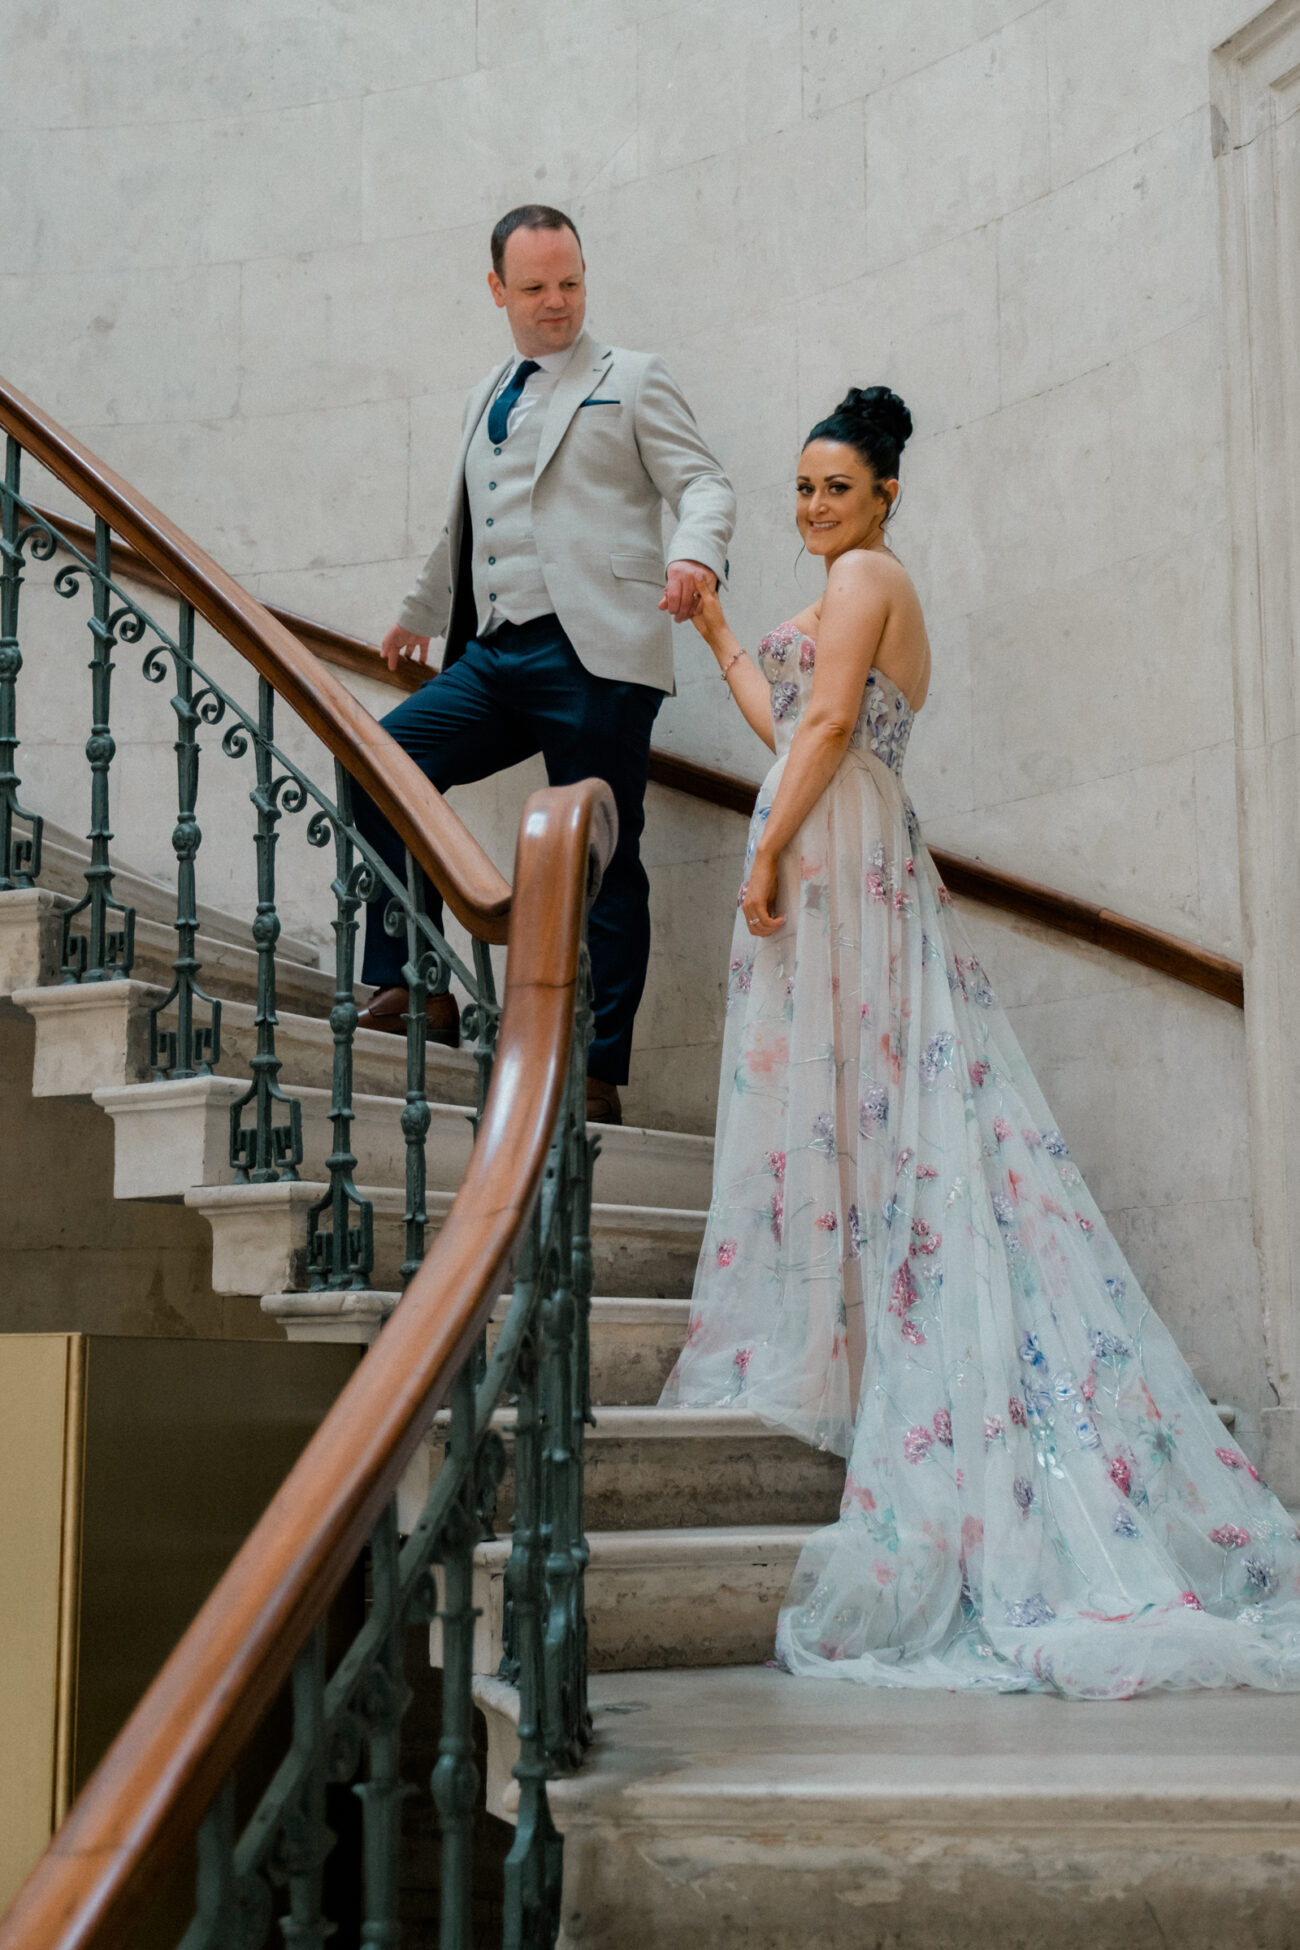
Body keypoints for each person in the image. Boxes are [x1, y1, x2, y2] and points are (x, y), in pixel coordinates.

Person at [661, 384, 1300, 1697]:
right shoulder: (844, 588)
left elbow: (828, 733)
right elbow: (787, 725)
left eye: (834, 487)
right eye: (802, 489)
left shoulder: (871, 576)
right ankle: (855, 1336)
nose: (814, 507)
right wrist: (723, 626)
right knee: (851, 1106)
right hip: (833, 831)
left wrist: (766, 853)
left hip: (832, 843)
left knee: (861, 1102)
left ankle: (886, 1352)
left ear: (886, 492)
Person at [351, 203, 735, 1128]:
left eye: (570, 282)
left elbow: (706, 483)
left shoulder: (632, 379)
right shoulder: (491, 389)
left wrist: (695, 556)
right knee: (381, 763)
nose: (557, 302)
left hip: (598, 653)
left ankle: (597, 1068)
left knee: (601, 855)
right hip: (494, 650)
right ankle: (418, 982)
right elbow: (468, 520)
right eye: (535, 288)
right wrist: (415, 615)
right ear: (498, 290)